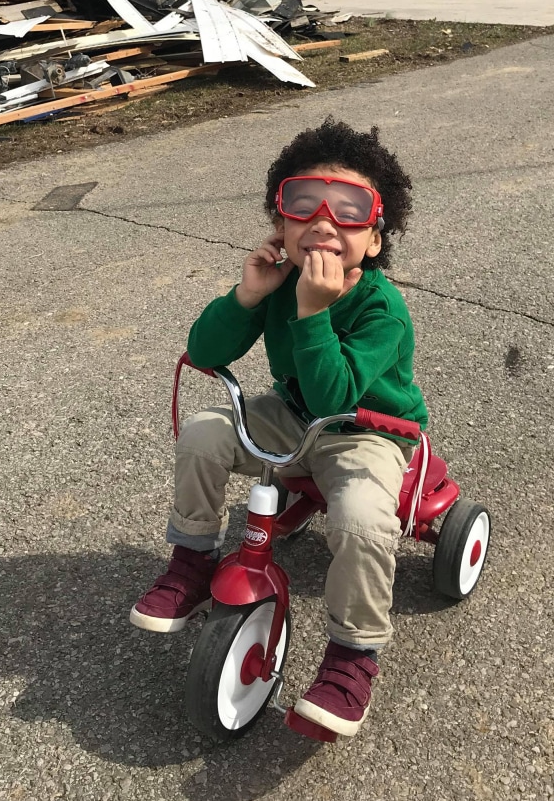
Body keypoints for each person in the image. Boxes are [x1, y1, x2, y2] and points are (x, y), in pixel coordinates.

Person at [130, 116, 428, 738]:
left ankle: (354, 653)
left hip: (368, 429)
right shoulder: (277, 281)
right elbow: (206, 352)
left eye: (347, 209)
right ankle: (191, 560)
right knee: (206, 434)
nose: (322, 221)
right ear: (280, 223)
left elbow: (335, 393)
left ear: (373, 238)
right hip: (296, 414)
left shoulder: (381, 307)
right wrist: (246, 296)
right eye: (302, 204)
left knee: (364, 519)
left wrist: (313, 314)